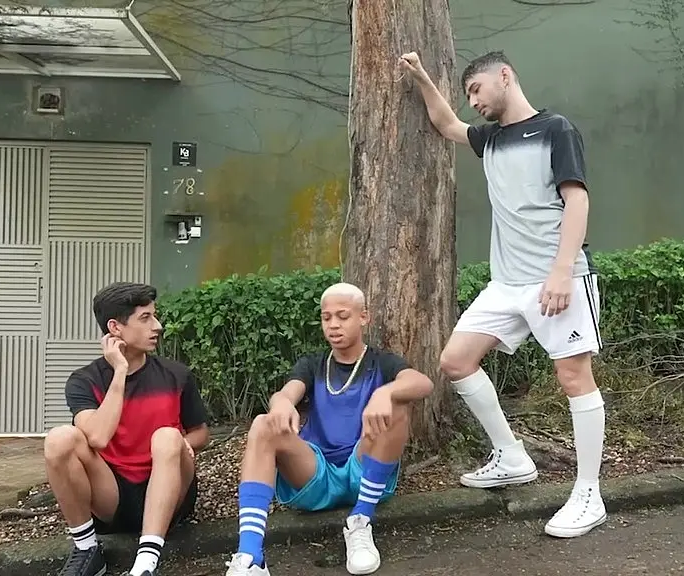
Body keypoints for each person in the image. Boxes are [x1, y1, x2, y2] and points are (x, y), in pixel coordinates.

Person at [398, 49, 607, 539]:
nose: (472, 102)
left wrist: (560, 273)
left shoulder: (556, 129)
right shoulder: (490, 138)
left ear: (505, 77)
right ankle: (512, 457)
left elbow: (577, 199)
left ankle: (589, 493)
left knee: (574, 378)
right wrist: (423, 77)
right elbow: (446, 124)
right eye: (468, 94)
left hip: (558, 279)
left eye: (476, 90)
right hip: (506, 284)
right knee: (455, 361)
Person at [223, 282, 434, 576]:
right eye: (326, 317)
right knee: (262, 424)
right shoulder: (313, 364)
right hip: (316, 474)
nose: (333, 325)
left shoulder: (382, 362)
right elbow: (287, 392)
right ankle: (250, 557)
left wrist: (385, 393)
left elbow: (423, 383)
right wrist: (281, 403)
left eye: (343, 316)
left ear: (363, 317)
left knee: (398, 404)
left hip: (364, 471)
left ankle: (360, 521)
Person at [44, 282, 211, 576]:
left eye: (155, 316)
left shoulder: (177, 375)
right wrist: (120, 371)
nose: (157, 326)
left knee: (167, 436)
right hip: (112, 496)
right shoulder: (85, 380)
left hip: (170, 491)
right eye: (145, 318)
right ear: (115, 328)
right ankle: (87, 550)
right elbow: (97, 437)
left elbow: (201, 434)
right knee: (59, 439)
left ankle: (146, 563)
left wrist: (179, 444)